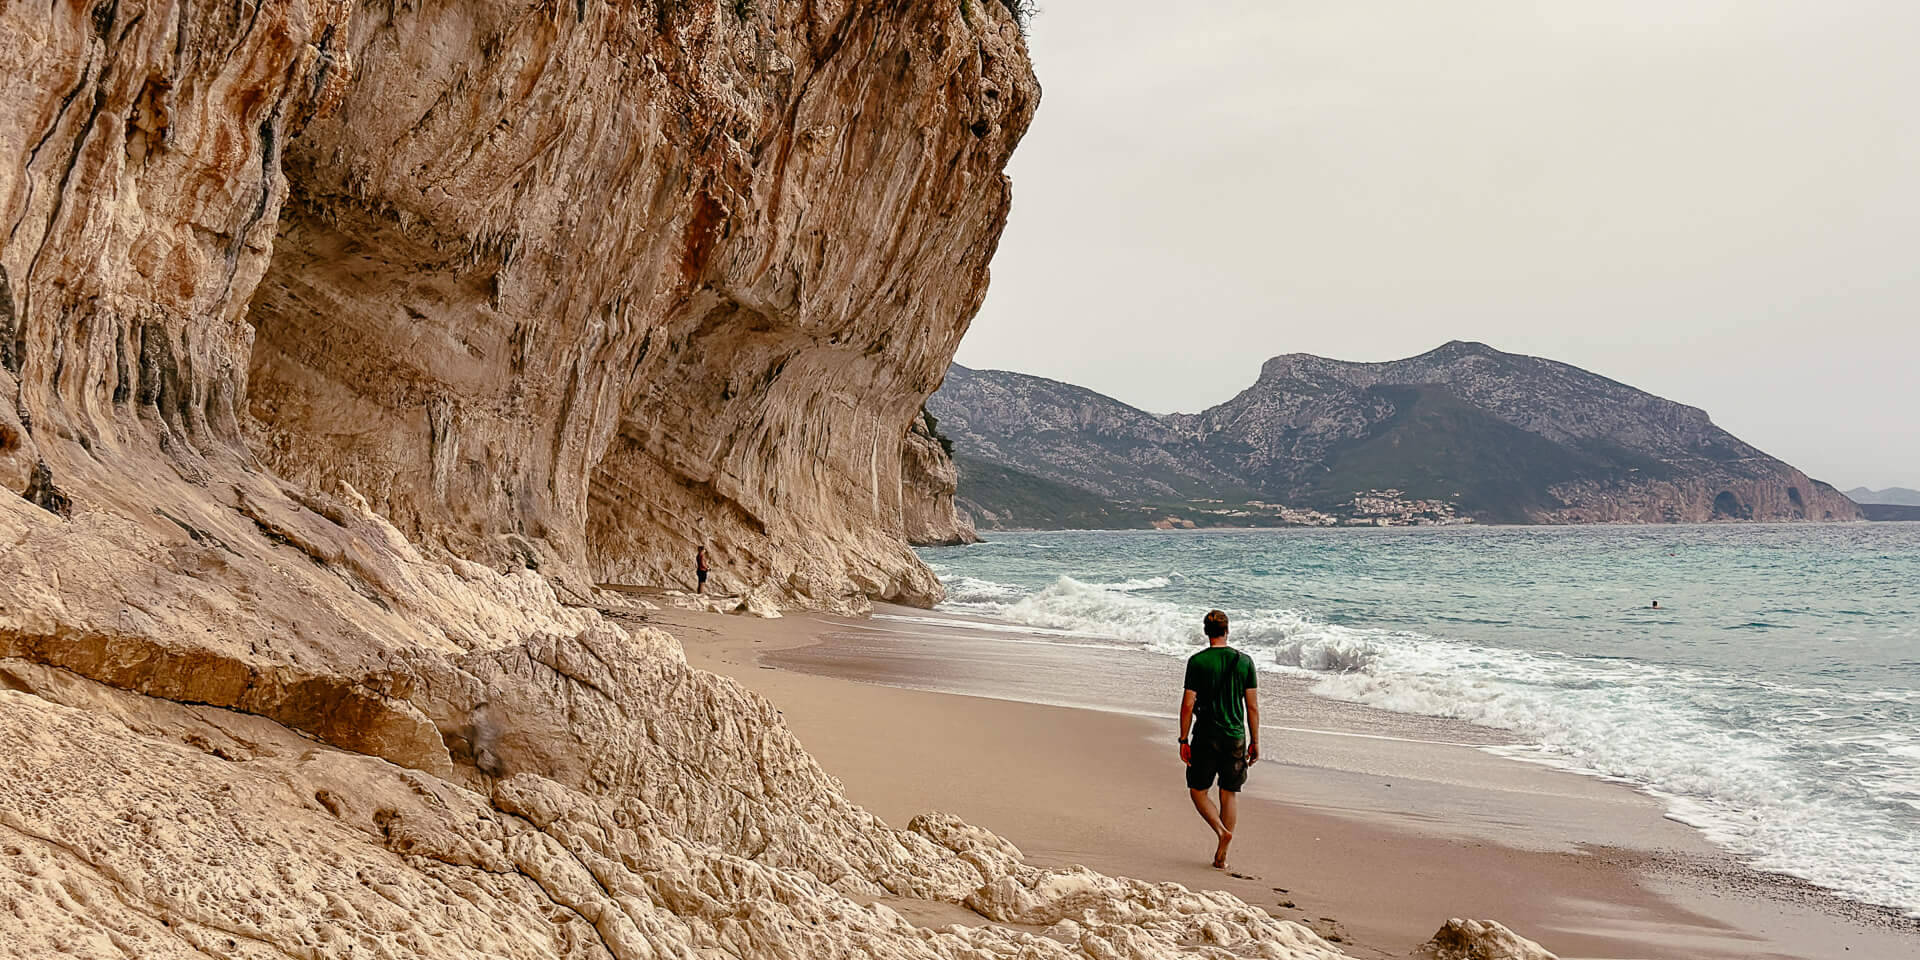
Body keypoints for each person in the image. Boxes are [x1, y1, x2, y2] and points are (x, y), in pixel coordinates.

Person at [1178, 609, 1259, 869]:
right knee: (1229, 792)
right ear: (1227, 630)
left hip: (1206, 735)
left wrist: (1183, 739)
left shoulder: (1197, 662)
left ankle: (1220, 831)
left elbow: (1188, 705)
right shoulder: (1245, 662)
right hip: (1235, 736)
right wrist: (1255, 740)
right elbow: (1252, 706)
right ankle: (1222, 853)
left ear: (1206, 631)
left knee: (1198, 790)